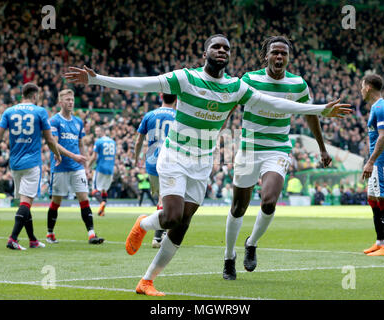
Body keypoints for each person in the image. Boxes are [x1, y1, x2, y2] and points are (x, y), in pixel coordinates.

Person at [65, 34, 351, 296]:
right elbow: (144, 83)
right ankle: (143, 223)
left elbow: (276, 104)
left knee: (183, 224)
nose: (222, 51)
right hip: (175, 156)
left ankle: (147, 280)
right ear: (205, 53)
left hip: (202, 164)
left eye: (226, 48)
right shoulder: (185, 79)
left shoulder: (235, 87)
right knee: (173, 216)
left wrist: (319, 109)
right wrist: (98, 79)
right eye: (216, 46)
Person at [222, 36, 333, 280]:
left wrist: (322, 148)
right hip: (249, 149)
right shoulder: (250, 80)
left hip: (278, 149)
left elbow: (310, 115)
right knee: (238, 207)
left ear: (288, 57)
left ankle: (251, 243)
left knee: (269, 201)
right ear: (266, 56)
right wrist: (220, 127)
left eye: (284, 53)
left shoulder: (298, 84)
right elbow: (232, 103)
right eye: (275, 53)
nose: (279, 57)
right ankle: (229, 257)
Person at [0, 83, 62, 250]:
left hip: (15, 163)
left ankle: (33, 239)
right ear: (35, 96)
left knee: (25, 202)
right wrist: (56, 153)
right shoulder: (40, 111)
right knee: (26, 203)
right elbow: (49, 139)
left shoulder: (9, 111)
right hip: (32, 163)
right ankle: (13, 238)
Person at [46, 89, 104, 245]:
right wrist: (74, 156)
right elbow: (55, 143)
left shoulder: (78, 121)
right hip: (60, 167)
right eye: (67, 99)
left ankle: (91, 234)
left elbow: (80, 144)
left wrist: (84, 165)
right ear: (60, 102)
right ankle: (50, 233)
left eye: (72, 99)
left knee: (84, 198)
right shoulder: (54, 121)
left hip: (77, 167)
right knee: (56, 201)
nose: (70, 102)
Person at [361, 74, 384, 256]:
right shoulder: (377, 107)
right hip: (378, 161)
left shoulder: (382, 107)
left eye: (362, 86)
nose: (361, 90)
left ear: (368, 87)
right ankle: (380, 242)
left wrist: (370, 161)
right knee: (373, 199)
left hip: (382, 160)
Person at [135, 93, 177, 248]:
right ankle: (159, 236)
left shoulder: (149, 115)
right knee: (167, 198)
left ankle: (160, 235)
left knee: (162, 198)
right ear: (176, 99)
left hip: (152, 163)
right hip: (171, 162)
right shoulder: (179, 116)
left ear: (161, 96)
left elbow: (139, 140)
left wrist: (135, 157)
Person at [88, 127, 116, 216]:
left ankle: (102, 203)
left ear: (103, 132)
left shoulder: (99, 141)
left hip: (101, 168)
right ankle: (102, 211)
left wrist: (88, 166)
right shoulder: (113, 142)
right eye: (96, 131)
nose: (97, 133)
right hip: (110, 169)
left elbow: (94, 157)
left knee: (94, 190)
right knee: (104, 190)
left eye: (98, 131)